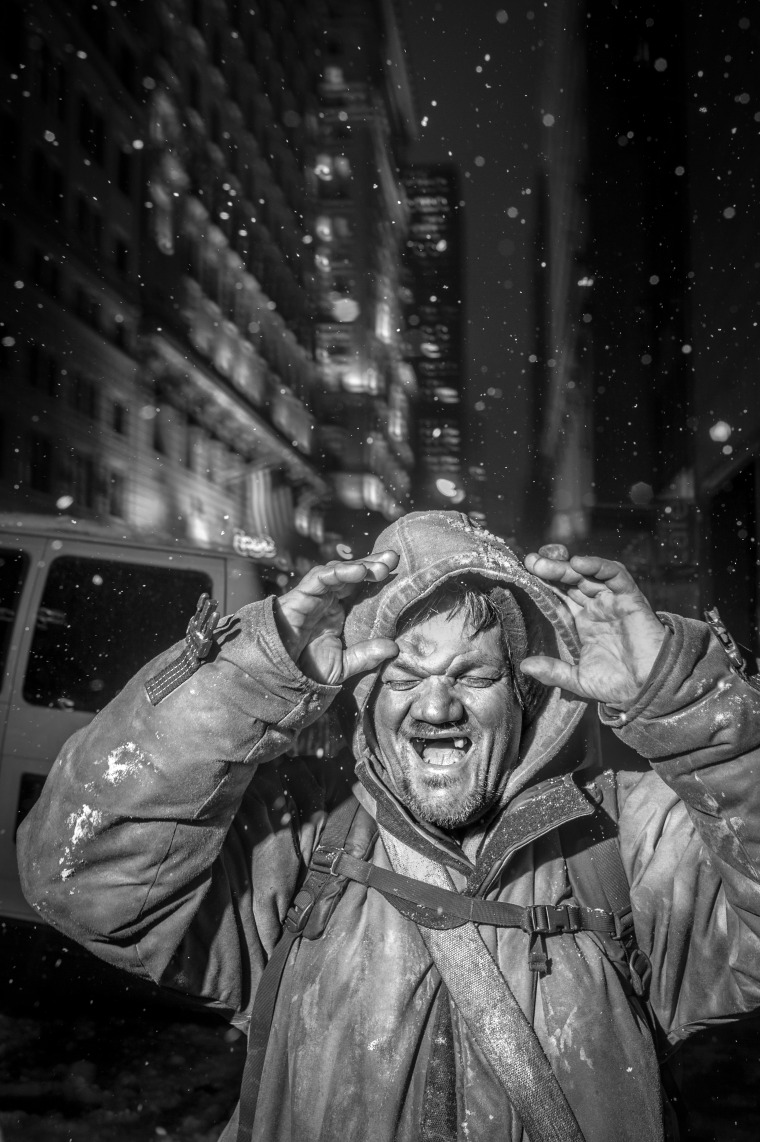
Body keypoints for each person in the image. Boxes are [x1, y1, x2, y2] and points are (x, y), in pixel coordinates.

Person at [17, 510, 760, 1142]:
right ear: (368, 699)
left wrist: (687, 702)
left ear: (527, 695)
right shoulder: (299, 843)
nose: (436, 707)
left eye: (473, 675)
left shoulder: (624, 837)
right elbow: (80, 876)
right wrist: (244, 674)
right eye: (405, 677)